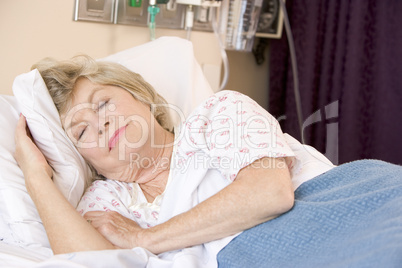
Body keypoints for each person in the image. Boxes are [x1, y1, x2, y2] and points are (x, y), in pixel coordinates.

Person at [14, 55, 334, 265]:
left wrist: (144, 238)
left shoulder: (216, 115)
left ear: (140, 94)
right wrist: (36, 178)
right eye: (82, 132)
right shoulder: (106, 204)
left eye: (103, 104)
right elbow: (85, 263)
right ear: (84, 158)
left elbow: (269, 193)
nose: (101, 125)